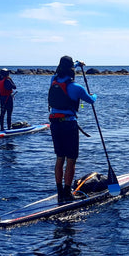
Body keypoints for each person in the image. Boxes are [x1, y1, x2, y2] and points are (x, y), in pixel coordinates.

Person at [48, 55, 96, 204]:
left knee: (59, 158)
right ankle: (68, 193)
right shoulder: (77, 88)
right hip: (69, 125)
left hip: (54, 124)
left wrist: (77, 63)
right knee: (71, 159)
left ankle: (60, 192)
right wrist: (95, 95)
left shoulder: (53, 80)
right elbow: (91, 100)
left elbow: (65, 70)